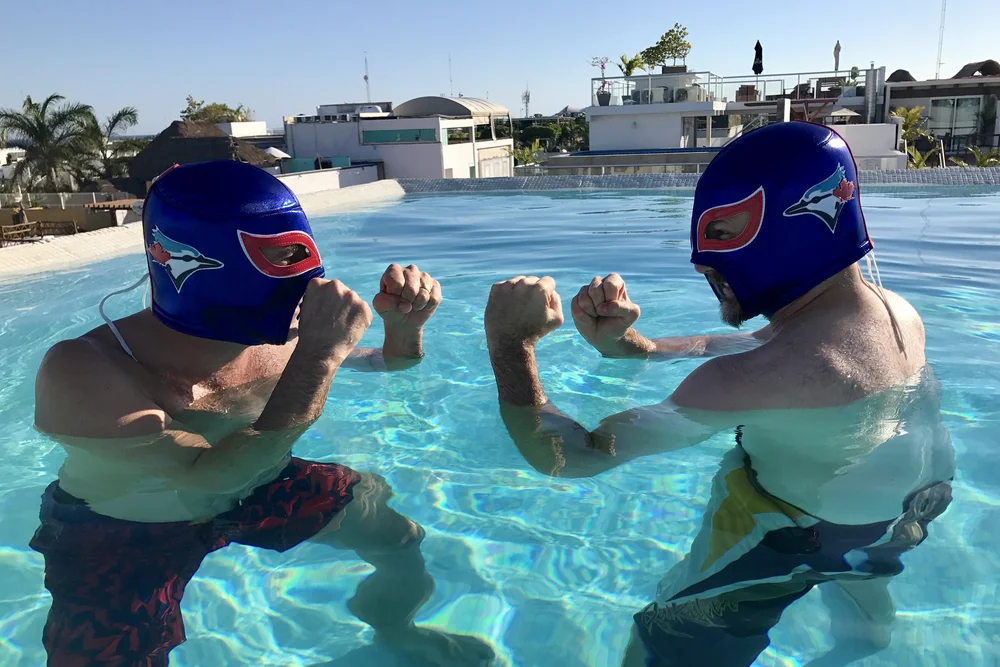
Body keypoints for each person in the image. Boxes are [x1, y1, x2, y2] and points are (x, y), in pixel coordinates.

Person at [482, 122, 954, 666]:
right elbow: (760, 344)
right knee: (863, 626)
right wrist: (633, 345)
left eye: (724, 231)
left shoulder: (749, 380)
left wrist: (509, 342)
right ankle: (865, 635)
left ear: (792, 227)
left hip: (800, 534)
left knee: (659, 647)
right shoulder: (895, 312)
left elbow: (569, 456)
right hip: (912, 511)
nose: (702, 262)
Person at [31, 161, 493, 667]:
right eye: (278, 261)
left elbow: (389, 364)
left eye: (297, 257)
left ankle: (396, 628)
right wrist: (318, 356)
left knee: (397, 538)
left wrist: (405, 327)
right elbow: (203, 482)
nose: (299, 287)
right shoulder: (83, 367)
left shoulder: (283, 329)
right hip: (122, 527)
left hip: (254, 481)